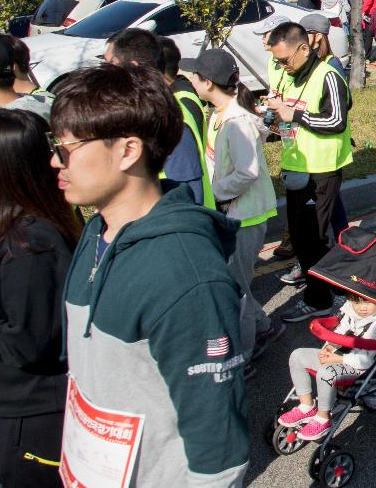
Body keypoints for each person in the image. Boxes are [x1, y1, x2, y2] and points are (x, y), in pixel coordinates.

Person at [52, 64, 248, 485]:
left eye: (67, 146)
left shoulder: (187, 276)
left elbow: (219, 450)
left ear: (128, 150)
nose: (55, 160)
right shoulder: (96, 231)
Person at [0, 110, 79, 487]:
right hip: (21, 404)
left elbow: (27, 342)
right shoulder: (16, 225)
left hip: (37, 415)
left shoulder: (31, 245)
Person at [183, 49, 284, 365]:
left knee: (234, 289)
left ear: (207, 82)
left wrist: (217, 196)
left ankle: (245, 353)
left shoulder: (236, 119)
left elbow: (246, 172)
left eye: (193, 78)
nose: (190, 84)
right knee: (235, 282)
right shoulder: (220, 114)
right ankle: (264, 327)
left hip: (244, 215)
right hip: (236, 213)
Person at [264, 20, 353, 323]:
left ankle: (321, 299)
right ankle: (327, 290)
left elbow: (337, 121)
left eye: (284, 59)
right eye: (277, 60)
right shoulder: (292, 76)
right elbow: (291, 117)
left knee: (314, 238)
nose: (281, 65)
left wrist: (296, 115)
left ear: (304, 48)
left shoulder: (327, 74)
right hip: (296, 166)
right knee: (301, 239)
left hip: (322, 171)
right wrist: (278, 122)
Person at [104, 29, 210, 208]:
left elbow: (187, 199)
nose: (106, 73)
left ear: (133, 68)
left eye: (111, 64)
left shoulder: (170, 120)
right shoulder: (139, 115)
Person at [278, 294, 376, 442]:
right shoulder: (350, 312)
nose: (362, 308)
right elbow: (339, 333)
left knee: (325, 373)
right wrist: (329, 347)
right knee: (297, 356)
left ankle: (323, 417)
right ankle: (306, 405)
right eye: (356, 302)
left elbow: (366, 361)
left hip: (359, 367)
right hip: (338, 358)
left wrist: (337, 358)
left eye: (367, 302)